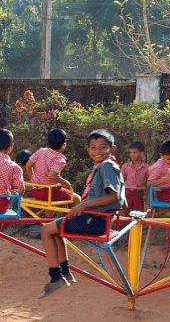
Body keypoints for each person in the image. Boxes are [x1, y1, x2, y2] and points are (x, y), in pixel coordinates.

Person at [37, 129, 126, 301]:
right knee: (56, 230)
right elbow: (121, 197)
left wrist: (84, 205)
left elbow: (114, 196)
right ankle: (66, 274)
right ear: (87, 150)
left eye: (102, 147)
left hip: (93, 221)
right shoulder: (108, 166)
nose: (97, 151)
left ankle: (56, 278)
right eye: (93, 147)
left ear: (111, 149)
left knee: (46, 231)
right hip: (96, 219)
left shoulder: (107, 166)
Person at [26, 128, 81, 218]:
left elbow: (28, 166)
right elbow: (52, 175)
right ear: (63, 145)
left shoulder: (41, 151)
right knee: (76, 198)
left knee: (52, 193)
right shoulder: (59, 159)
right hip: (48, 193)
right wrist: (65, 183)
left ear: (48, 142)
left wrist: (33, 179)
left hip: (35, 191)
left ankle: (49, 219)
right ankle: (73, 222)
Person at [120, 141, 149, 216]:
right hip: (127, 193)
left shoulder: (147, 168)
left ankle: (135, 227)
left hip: (139, 194)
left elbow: (148, 182)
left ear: (141, 153)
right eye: (130, 152)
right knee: (122, 214)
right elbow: (121, 181)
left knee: (138, 215)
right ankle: (118, 227)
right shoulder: (125, 167)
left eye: (134, 152)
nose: (132, 155)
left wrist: (146, 194)